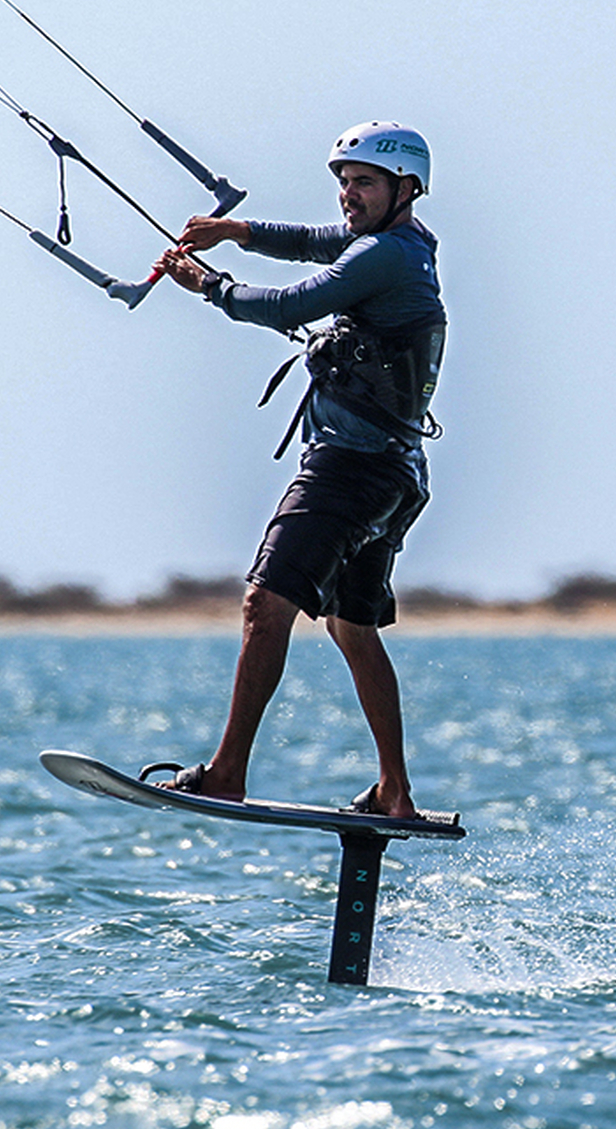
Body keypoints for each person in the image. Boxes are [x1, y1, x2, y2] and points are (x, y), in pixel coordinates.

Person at [149, 121, 445, 820]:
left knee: (265, 604)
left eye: (363, 182)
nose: (348, 194)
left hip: (351, 469)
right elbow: (313, 242)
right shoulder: (403, 244)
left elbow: (292, 304)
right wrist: (239, 230)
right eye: (343, 182)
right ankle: (394, 793)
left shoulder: (389, 258)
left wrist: (210, 285)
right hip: (397, 473)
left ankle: (226, 772)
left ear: (405, 190)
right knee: (350, 625)